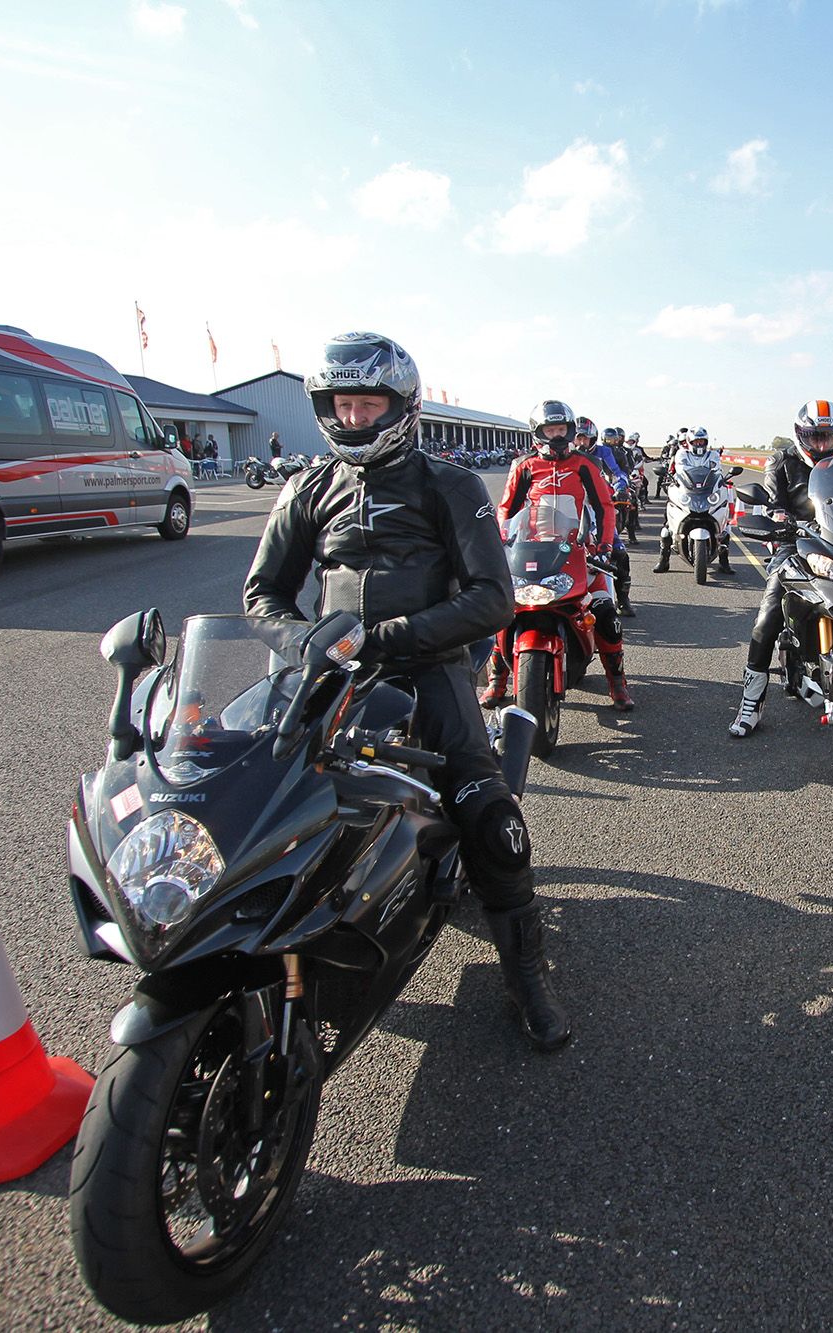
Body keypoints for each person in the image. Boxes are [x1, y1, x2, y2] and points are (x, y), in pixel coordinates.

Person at [243, 332, 571, 1052]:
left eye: (369, 404)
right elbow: (262, 595)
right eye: (343, 404)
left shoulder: (449, 484)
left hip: (427, 668)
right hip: (326, 675)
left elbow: (493, 599)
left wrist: (387, 638)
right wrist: (303, 643)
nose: (355, 418)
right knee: (252, 800)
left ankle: (527, 977)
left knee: (493, 822)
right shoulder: (307, 487)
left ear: (402, 405)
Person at [483, 400, 634, 711]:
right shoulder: (524, 465)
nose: (556, 436)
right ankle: (497, 679)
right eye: (550, 430)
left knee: (605, 610)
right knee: (499, 608)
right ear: (538, 433)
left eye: (561, 429)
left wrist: (604, 546)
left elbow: (605, 508)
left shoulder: (584, 464)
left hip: (579, 548)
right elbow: (506, 510)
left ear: (570, 430)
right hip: (531, 548)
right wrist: (500, 543)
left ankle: (616, 681)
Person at [727, 400, 833, 737]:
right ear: (801, 435)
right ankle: (751, 704)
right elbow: (772, 503)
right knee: (766, 620)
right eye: (816, 436)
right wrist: (778, 518)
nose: (823, 444)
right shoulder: (782, 462)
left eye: (830, 437)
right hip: (794, 545)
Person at [653, 427, 730, 575]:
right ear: (689, 442)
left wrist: (722, 482)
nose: (699, 444)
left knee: (726, 527)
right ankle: (664, 560)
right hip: (687, 491)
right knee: (667, 526)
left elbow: (716, 471)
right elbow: (681, 472)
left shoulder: (713, 454)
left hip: (707, 491)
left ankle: (724, 562)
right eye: (696, 441)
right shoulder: (681, 454)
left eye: (702, 441)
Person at [590, 425, 637, 616]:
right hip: (570, 514)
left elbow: (618, 473)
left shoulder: (603, 453)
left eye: (586, 438)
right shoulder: (566, 457)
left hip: (599, 509)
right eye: (578, 438)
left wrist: (621, 486)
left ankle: (623, 599)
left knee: (619, 552)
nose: (582, 443)